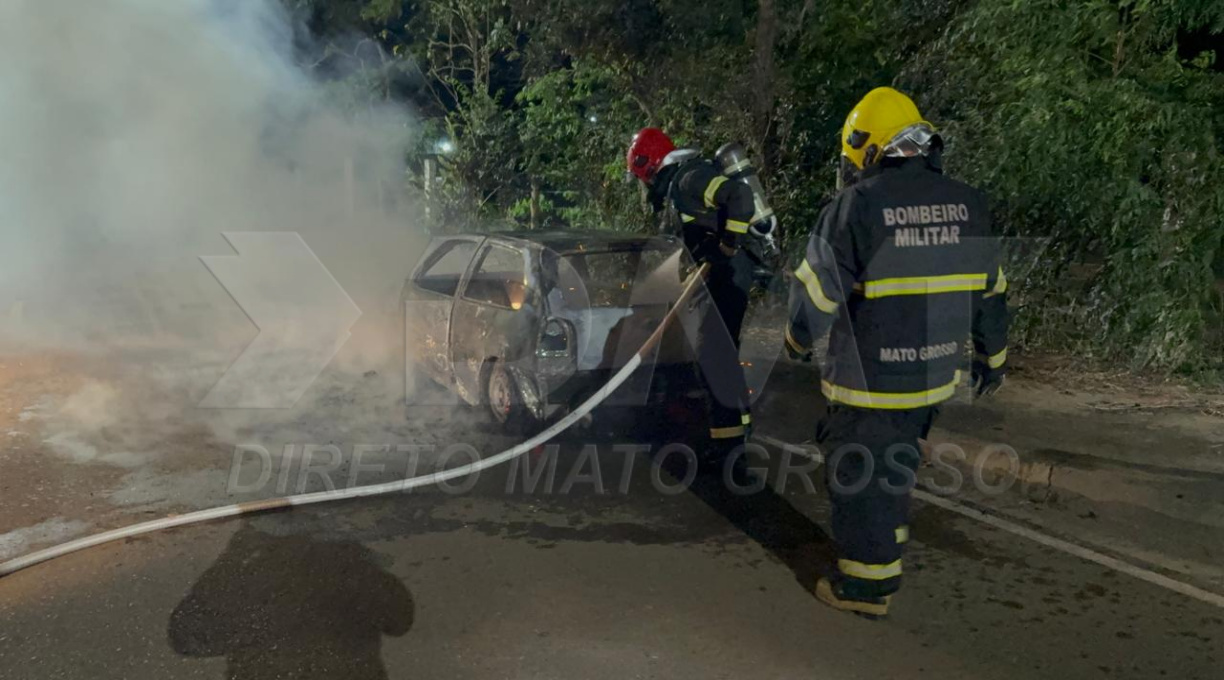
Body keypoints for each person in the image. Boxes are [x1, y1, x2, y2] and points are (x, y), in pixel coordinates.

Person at [785, 87, 1008, 618]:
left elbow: (816, 292)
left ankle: (866, 585)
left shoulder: (857, 206)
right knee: (894, 465)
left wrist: (796, 340)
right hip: (932, 376)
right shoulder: (968, 203)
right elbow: (991, 289)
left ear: (867, 147)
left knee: (858, 473)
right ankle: (888, 536)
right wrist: (992, 358)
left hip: (870, 379)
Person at [626, 128, 757, 479]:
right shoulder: (680, 184)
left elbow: (740, 197)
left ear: (648, 165)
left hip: (726, 278)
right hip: (720, 279)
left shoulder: (687, 179)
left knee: (713, 357)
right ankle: (737, 435)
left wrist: (727, 245)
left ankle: (730, 453)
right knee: (720, 357)